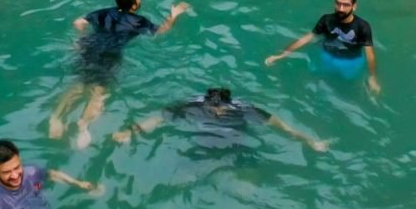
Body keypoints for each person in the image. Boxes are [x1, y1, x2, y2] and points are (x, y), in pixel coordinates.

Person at [49, 0, 190, 149]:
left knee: (79, 83)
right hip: (110, 56)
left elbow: (78, 22)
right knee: (99, 92)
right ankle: (83, 126)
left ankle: (56, 118)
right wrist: (173, 16)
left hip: (89, 48)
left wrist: (79, 39)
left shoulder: (104, 12)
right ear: (134, 6)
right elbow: (161, 31)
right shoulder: (139, 21)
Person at [112, 86, 329, 152]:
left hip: (238, 147)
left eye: (221, 108)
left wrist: (309, 140)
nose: (217, 112)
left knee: (245, 189)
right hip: (202, 147)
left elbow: (282, 126)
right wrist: (128, 132)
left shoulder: (244, 109)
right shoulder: (193, 106)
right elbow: (158, 118)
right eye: (213, 108)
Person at [265, 0, 381, 94]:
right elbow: (307, 38)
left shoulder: (362, 26)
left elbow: (369, 54)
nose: (341, 8)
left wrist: (372, 77)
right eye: (338, 4)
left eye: (346, 5)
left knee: (347, 89)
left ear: (354, 6)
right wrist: (282, 55)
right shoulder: (326, 20)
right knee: (316, 83)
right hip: (327, 56)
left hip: (350, 62)